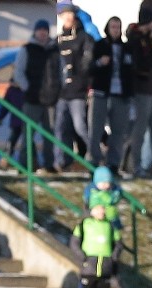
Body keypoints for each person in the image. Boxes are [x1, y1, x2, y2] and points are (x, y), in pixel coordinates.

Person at [125, 6, 152, 179]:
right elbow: (139, 64)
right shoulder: (135, 39)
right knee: (139, 131)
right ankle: (136, 166)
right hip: (142, 90)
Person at [88, 16, 133, 175]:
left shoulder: (126, 48)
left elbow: (131, 71)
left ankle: (113, 164)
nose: (115, 30)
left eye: (118, 27)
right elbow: (89, 67)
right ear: (108, 28)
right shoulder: (99, 45)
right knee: (96, 129)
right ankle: (93, 162)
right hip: (101, 93)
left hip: (121, 94)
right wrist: (100, 62)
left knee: (119, 132)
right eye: (113, 27)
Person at [14, 19, 60, 174]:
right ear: (35, 31)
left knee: (50, 135)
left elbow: (61, 72)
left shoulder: (54, 50)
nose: (42, 33)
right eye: (40, 30)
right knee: (28, 134)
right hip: (32, 98)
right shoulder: (27, 49)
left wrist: (57, 90)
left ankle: (49, 164)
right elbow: (18, 72)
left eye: (45, 30)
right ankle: (24, 164)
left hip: (50, 99)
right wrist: (27, 88)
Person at [69, 203, 121, 288]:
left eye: (103, 209)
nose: (101, 212)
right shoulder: (83, 225)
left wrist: (112, 258)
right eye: (98, 209)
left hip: (105, 267)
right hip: (89, 267)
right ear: (92, 211)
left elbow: (118, 244)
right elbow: (74, 243)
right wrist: (83, 257)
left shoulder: (110, 226)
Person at [54, 2, 94, 171]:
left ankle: (93, 156)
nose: (68, 17)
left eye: (70, 14)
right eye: (65, 14)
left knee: (80, 126)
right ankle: (61, 161)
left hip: (77, 91)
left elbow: (87, 61)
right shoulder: (57, 40)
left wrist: (81, 80)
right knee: (60, 128)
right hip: (61, 92)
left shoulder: (84, 37)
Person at [0, 76, 24, 168]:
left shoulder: (17, 90)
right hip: (17, 122)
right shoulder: (12, 90)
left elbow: (5, 106)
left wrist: (0, 117)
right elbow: (5, 106)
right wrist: (0, 117)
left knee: (18, 142)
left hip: (21, 120)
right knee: (12, 142)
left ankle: (24, 162)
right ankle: (5, 161)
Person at [83, 165, 123, 231]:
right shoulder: (91, 191)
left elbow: (116, 198)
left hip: (110, 218)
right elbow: (86, 202)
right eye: (102, 182)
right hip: (95, 217)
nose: (105, 185)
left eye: (107, 182)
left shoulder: (113, 191)